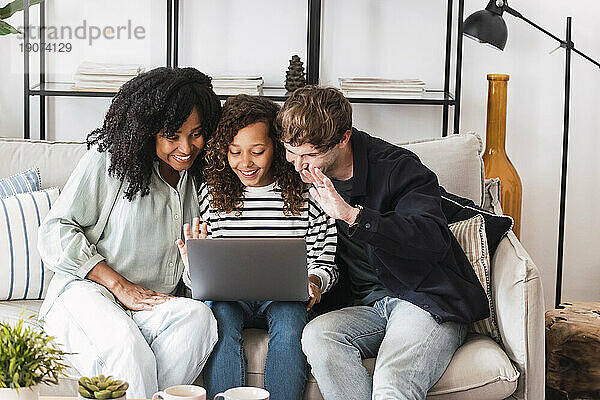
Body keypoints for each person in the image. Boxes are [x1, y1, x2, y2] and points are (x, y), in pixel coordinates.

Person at [277, 86, 490, 400]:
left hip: (424, 300)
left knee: (392, 381)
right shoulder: (301, 175)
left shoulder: (398, 167)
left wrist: (353, 216)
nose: (298, 165)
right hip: (365, 308)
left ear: (343, 138)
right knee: (318, 336)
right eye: (290, 153)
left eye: (310, 155)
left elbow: (431, 237)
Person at [37, 67, 222, 399]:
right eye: (172, 135)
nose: (186, 147)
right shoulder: (112, 160)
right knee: (124, 344)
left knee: (199, 317)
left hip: (149, 305)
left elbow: (194, 281)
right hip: (87, 294)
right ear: (148, 130)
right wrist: (120, 285)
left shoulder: (201, 181)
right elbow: (55, 232)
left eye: (196, 134)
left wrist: (200, 262)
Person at [175, 94, 338, 400]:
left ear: (277, 148)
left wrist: (315, 282)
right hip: (229, 300)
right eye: (235, 152)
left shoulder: (308, 195)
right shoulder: (211, 194)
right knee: (220, 318)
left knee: (290, 323)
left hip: (284, 298)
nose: (245, 163)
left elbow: (325, 260)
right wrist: (192, 265)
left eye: (257, 151)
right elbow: (199, 282)